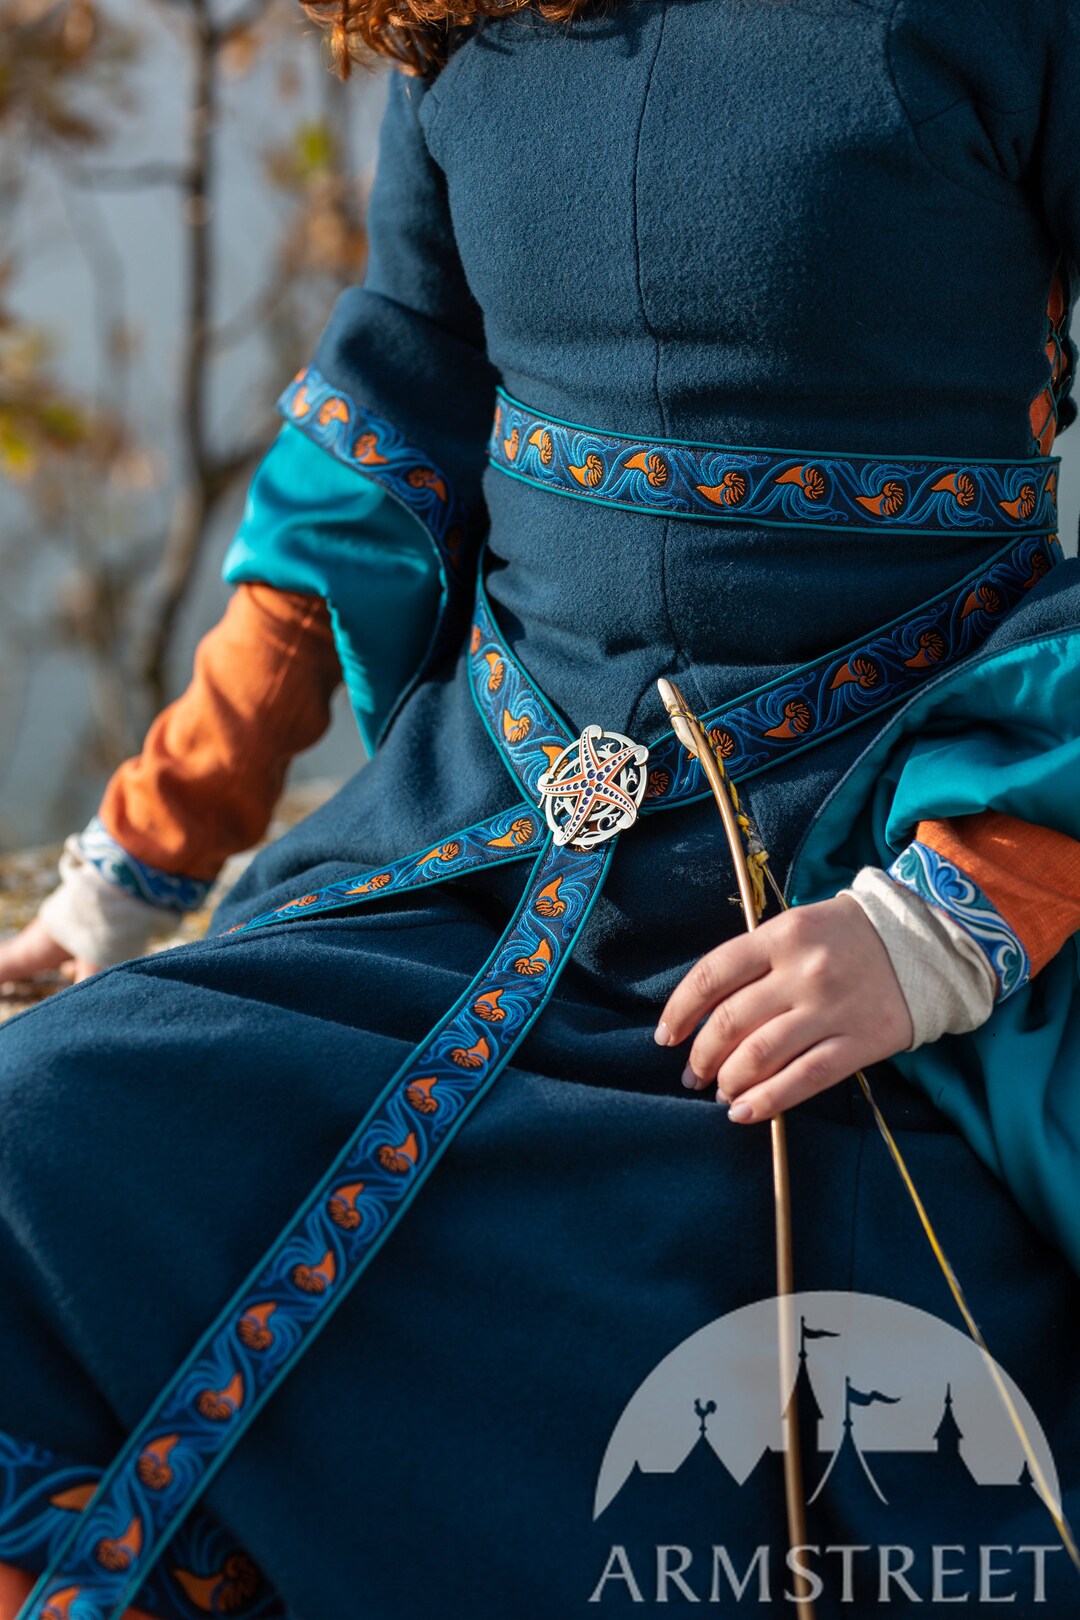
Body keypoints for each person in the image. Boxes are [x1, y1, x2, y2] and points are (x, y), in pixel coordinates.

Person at [0, 0, 1079, 1614]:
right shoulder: (455, 20)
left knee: (724, 1347)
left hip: (844, 910)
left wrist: (952, 918)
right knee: (40, 1139)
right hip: (465, 858)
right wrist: (138, 865)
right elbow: (381, 440)